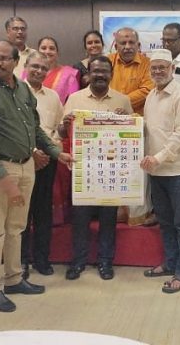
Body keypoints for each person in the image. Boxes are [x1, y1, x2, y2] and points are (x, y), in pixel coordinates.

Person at [0, 40, 72, 313]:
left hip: (26, 166)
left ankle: (13, 279)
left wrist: (57, 153)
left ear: (16, 62)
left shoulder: (23, 89)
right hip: (0, 168)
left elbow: (35, 130)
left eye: (4, 58)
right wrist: (2, 177)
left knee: (16, 228)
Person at [58, 56, 133, 281]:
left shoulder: (122, 100)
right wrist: (66, 125)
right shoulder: (74, 99)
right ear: (88, 74)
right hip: (83, 170)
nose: (100, 75)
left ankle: (105, 261)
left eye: (104, 71)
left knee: (108, 220)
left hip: (111, 171)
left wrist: (127, 121)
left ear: (111, 74)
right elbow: (61, 133)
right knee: (80, 219)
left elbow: (131, 136)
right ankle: (78, 261)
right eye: (95, 71)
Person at [141, 49, 180, 294]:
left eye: (162, 67)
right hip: (156, 171)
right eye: (154, 68)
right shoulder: (151, 96)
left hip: (179, 171)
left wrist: (158, 158)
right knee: (165, 222)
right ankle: (170, 263)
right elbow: (150, 129)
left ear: (172, 69)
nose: (158, 71)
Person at [20, 51, 64, 279]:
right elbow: (13, 129)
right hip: (23, 160)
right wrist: (33, 152)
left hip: (48, 160)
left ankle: (42, 259)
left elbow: (58, 128)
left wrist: (49, 150)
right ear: (26, 67)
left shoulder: (53, 96)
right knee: (22, 213)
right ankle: (21, 261)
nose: (39, 71)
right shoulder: (15, 93)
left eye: (43, 68)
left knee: (43, 211)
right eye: (35, 66)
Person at [109, 27, 154, 115]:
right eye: (123, 43)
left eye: (131, 42)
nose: (128, 47)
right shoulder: (107, 61)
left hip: (136, 118)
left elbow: (147, 90)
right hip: (109, 114)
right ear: (116, 47)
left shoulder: (148, 64)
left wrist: (119, 103)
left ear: (138, 45)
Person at [35, 36, 81, 104]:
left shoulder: (69, 74)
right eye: (43, 48)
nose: (47, 51)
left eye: (52, 48)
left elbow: (74, 101)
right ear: (37, 52)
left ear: (57, 53)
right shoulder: (29, 73)